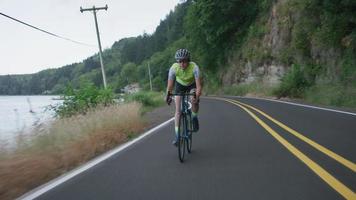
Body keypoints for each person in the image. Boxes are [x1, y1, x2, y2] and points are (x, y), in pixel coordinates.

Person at [165, 49, 202, 146]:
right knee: (178, 110)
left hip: (191, 84)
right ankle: (177, 136)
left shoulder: (194, 67)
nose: (182, 64)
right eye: (180, 61)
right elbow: (169, 86)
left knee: (194, 100)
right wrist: (168, 96)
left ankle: (194, 116)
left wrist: (196, 98)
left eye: (184, 61)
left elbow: (199, 87)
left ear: (188, 60)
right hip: (179, 85)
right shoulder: (174, 68)